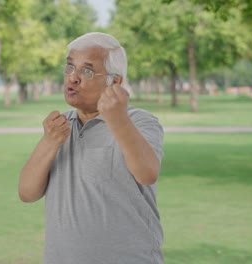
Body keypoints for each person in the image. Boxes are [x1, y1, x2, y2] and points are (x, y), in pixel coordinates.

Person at [18, 32, 165, 264]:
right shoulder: (59, 127)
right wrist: (49, 142)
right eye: (69, 68)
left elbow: (147, 174)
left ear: (114, 81)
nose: (73, 78)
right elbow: (27, 193)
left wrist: (118, 119)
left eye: (86, 71)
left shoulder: (138, 121)